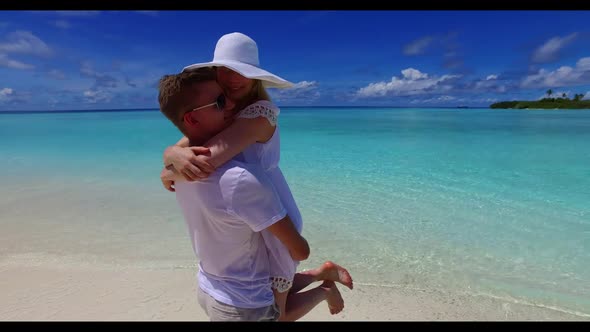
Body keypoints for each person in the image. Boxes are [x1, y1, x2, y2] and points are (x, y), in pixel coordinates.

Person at [160, 32, 352, 321]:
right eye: (225, 70)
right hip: (243, 206)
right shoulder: (224, 109)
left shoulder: (260, 114)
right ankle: (322, 275)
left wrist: (169, 168)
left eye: (243, 72)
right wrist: (171, 154)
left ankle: (324, 289)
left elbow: (207, 160)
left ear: (255, 78)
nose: (233, 78)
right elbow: (188, 145)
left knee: (278, 311)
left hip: (268, 204)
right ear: (214, 72)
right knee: (268, 291)